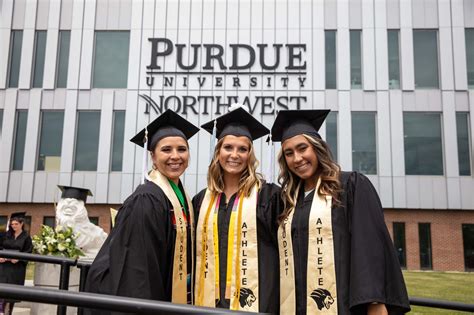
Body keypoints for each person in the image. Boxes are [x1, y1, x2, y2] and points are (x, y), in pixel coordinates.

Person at [271, 110, 410, 315]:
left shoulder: (350, 186)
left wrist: (374, 302)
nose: (297, 158)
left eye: (302, 148)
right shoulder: (288, 200)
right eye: (289, 153)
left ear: (317, 148)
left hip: (343, 305)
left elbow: (369, 247)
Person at [85, 109, 199, 314]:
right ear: (153, 157)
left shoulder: (180, 197)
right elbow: (138, 270)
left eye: (182, 149)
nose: (175, 156)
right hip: (139, 297)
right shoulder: (146, 200)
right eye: (166, 150)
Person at [194, 105, 281, 313]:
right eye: (228, 147)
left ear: (250, 155)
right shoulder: (201, 200)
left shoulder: (270, 196)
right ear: (218, 152)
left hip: (258, 303)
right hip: (208, 306)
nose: (235, 155)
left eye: (243, 149)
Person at [0, 212, 33, 315]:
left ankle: (9, 312)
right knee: (2, 289)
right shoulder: (5, 235)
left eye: (16, 224)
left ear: (21, 223)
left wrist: (19, 259)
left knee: (13, 293)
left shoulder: (26, 237)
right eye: (12, 224)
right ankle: (1, 310)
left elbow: (28, 251)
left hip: (17, 268)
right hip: (3, 266)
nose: (13, 226)